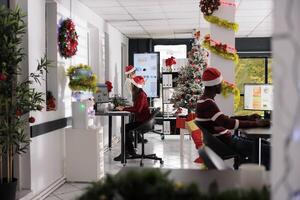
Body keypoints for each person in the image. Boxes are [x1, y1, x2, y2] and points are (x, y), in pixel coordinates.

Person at [195, 67, 271, 169]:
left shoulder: (204, 101)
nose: (223, 85)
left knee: (265, 144)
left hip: (228, 140)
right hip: (229, 143)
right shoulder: (207, 103)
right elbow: (228, 123)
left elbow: (224, 119)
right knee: (270, 150)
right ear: (215, 85)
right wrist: (256, 124)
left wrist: (247, 117)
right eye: (221, 83)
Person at [114, 76, 151, 161]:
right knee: (126, 128)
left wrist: (123, 108)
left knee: (125, 128)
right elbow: (137, 108)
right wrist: (125, 107)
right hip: (143, 121)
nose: (130, 87)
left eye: (131, 85)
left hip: (143, 122)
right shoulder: (139, 94)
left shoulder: (141, 95)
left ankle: (127, 153)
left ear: (134, 86)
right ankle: (130, 152)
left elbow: (137, 110)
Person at [123, 65, 147, 143]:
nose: (135, 74)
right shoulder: (129, 82)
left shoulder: (140, 94)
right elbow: (130, 94)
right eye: (134, 73)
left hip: (134, 105)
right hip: (131, 103)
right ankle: (136, 138)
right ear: (130, 74)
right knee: (132, 122)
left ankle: (135, 140)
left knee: (131, 124)